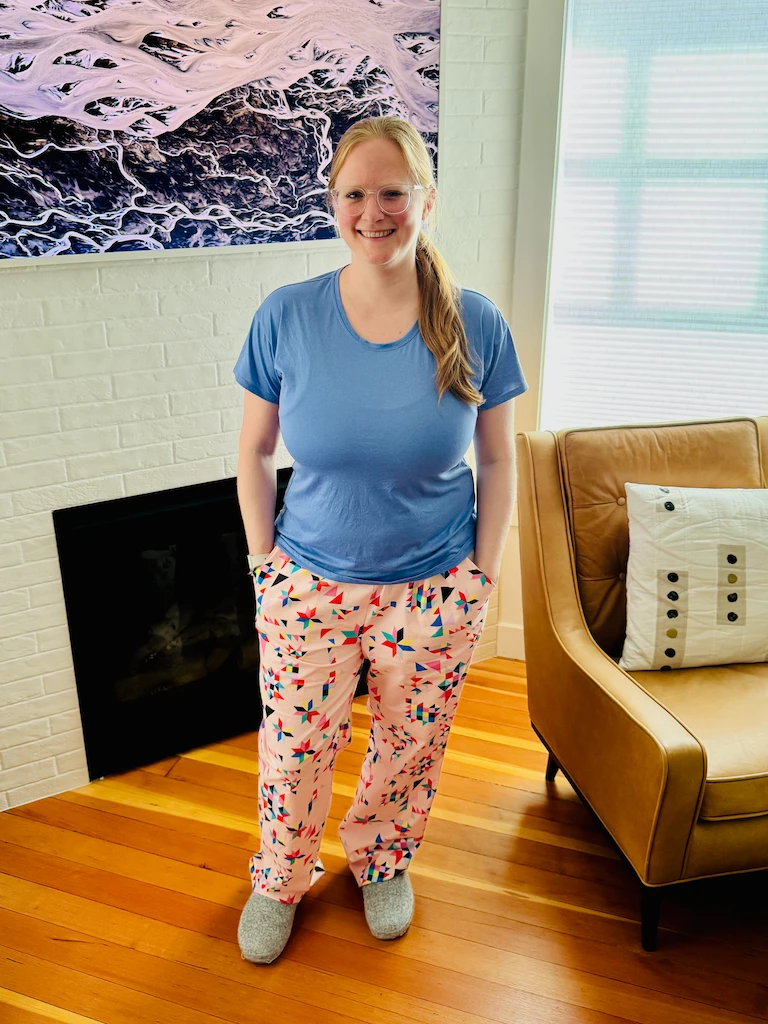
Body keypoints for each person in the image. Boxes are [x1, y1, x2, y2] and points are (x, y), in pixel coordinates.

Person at [232, 114, 528, 964]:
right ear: (333, 202)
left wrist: (484, 572)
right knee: (294, 748)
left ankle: (383, 858)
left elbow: (499, 457)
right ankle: (280, 876)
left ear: (425, 201)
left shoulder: (475, 321)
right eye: (354, 193)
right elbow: (252, 453)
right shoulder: (286, 316)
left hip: (435, 589)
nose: (373, 211)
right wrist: (263, 568)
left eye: (392, 193)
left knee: (410, 746)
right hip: (308, 585)